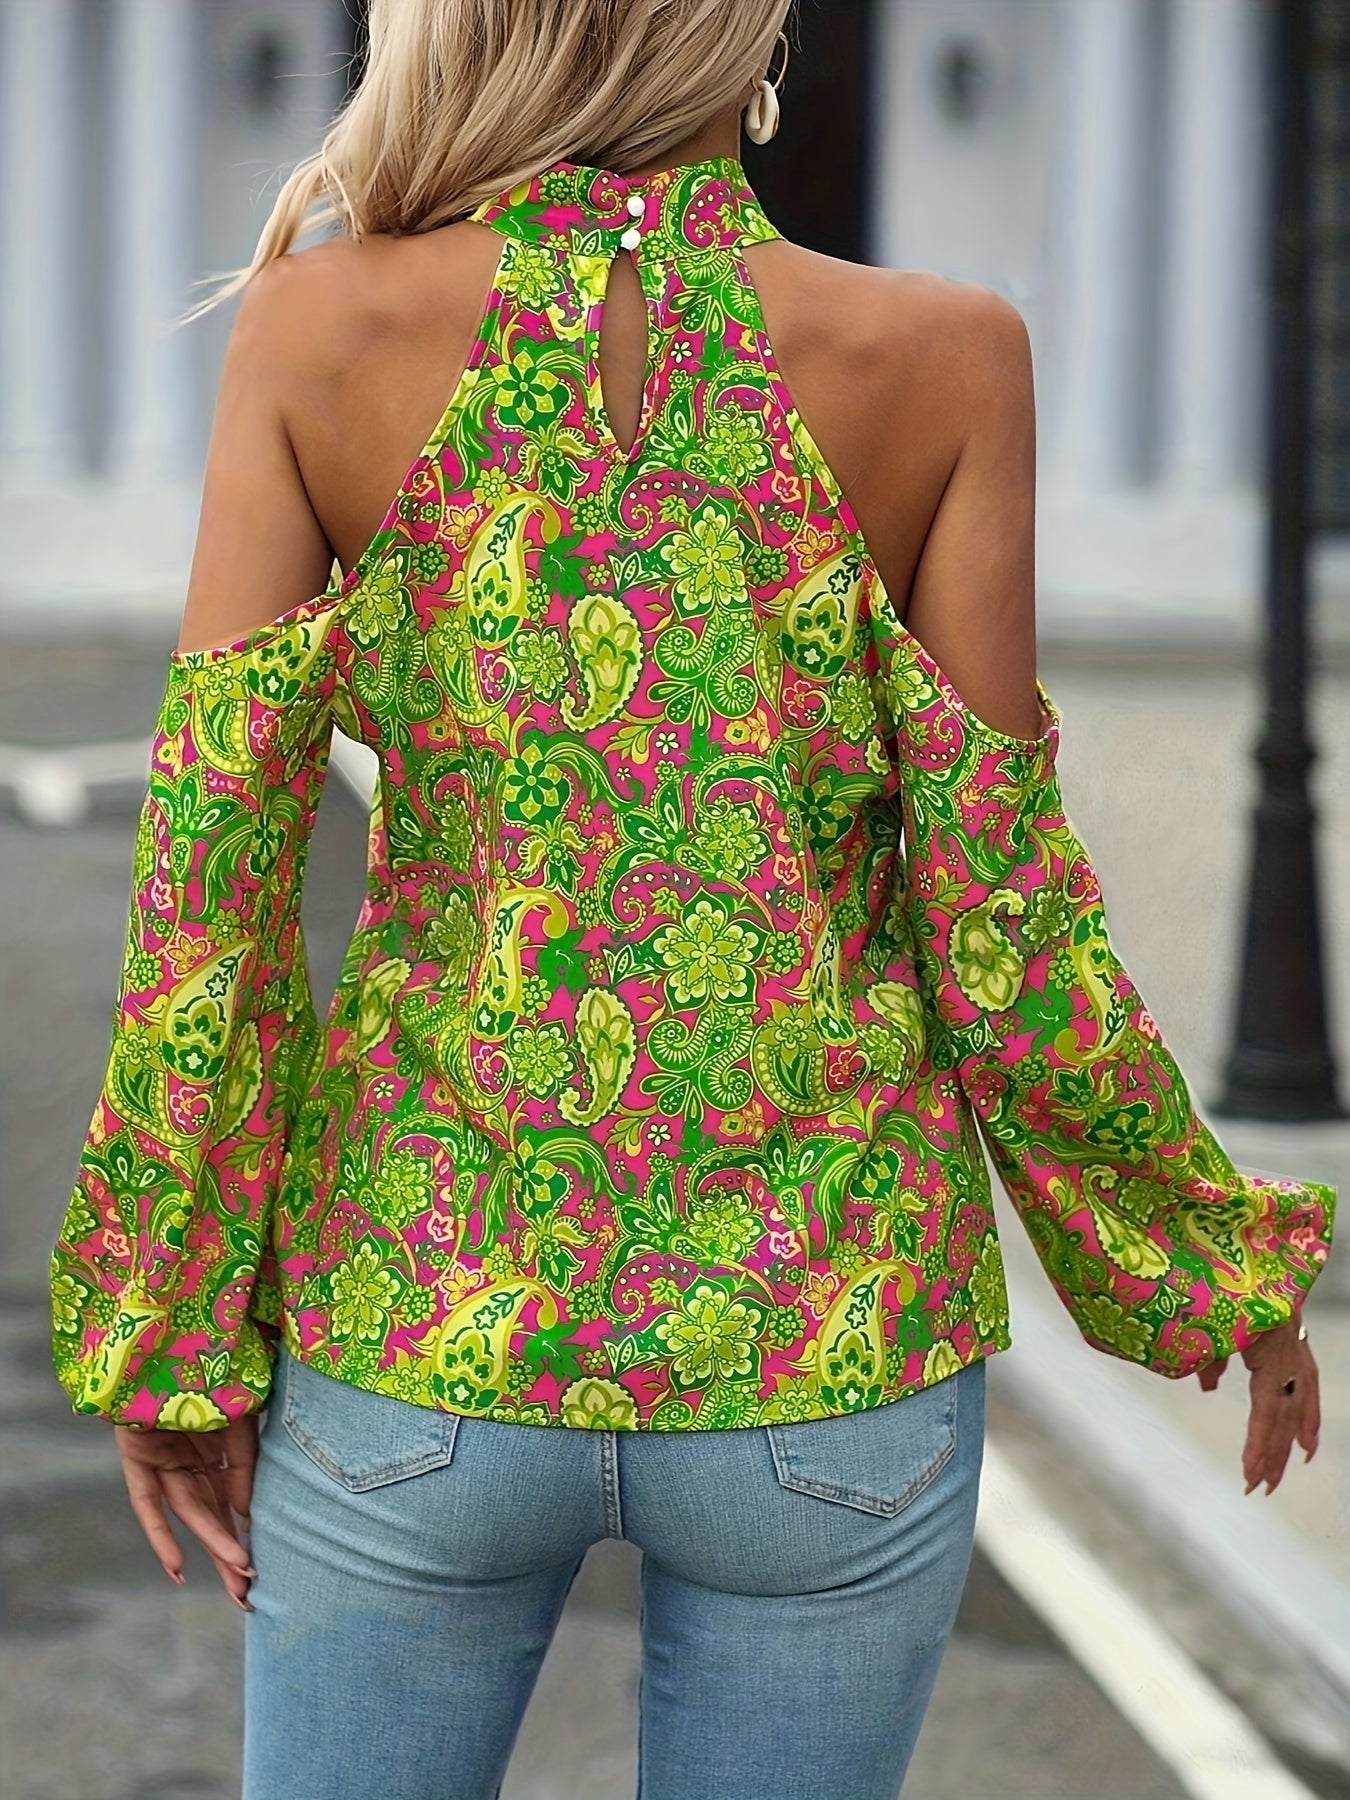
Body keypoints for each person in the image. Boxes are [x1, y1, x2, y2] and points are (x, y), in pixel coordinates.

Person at [49, 4, 1333, 1796]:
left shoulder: (319, 331)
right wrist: (1199, 1261)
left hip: (423, 1311)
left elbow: (211, 899)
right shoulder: (943, 357)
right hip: (832, 1341)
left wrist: (170, 1327)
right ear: (754, 35)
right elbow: (1003, 921)